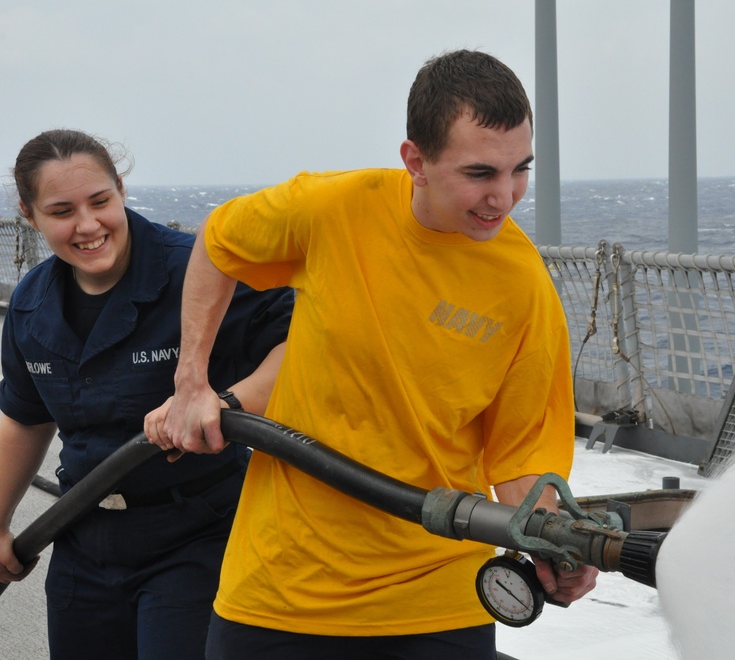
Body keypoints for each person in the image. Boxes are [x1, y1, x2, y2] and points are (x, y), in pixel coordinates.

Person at [157, 49, 598, 658]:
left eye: (519, 169)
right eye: (479, 174)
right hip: (281, 591)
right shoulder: (332, 209)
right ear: (415, 160)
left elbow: (521, 451)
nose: (506, 195)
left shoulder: (524, 287)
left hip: (436, 600)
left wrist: (553, 542)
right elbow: (220, 242)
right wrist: (191, 382)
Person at [0, 129, 295, 660]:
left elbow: (299, 347)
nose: (88, 225)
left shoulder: (201, 272)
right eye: (62, 210)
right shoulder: (29, 305)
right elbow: (23, 418)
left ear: (121, 189)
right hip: (81, 534)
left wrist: (227, 405)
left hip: (195, 538)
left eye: (100, 201)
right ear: (29, 215)